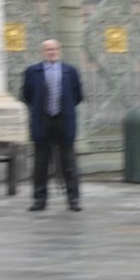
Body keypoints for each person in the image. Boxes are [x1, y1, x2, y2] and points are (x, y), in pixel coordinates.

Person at [20, 38, 84, 212]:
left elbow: (78, 96)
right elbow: (26, 95)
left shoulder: (70, 71)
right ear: (43, 52)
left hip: (64, 121)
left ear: (59, 50)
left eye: (55, 48)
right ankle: (39, 200)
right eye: (48, 49)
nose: (52, 51)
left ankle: (73, 200)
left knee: (68, 163)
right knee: (41, 164)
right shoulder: (33, 71)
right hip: (42, 122)